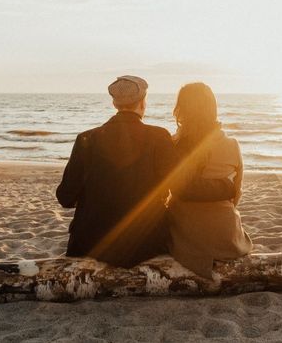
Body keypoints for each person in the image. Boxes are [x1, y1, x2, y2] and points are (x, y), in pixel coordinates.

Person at [56, 76, 235, 268]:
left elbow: (65, 197)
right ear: (142, 102)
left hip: (89, 244)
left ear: (114, 103)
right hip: (142, 245)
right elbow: (183, 188)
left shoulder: (86, 139)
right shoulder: (158, 137)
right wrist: (227, 187)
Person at [166, 82, 253, 278]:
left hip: (186, 235)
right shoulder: (232, 144)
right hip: (226, 236)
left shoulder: (174, 144)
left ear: (181, 110)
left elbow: (170, 190)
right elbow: (236, 195)